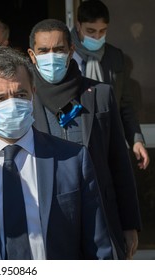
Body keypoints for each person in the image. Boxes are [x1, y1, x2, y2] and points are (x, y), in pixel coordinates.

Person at [0, 46, 113, 260]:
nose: (12, 105)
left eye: (20, 94)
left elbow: (98, 246)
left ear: (33, 93)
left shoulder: (72, 159)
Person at [27, 18, 141, 259]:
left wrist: (129, 223)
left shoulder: (99, 94)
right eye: (44, 50)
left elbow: (119, 162)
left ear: (71, 51)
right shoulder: (23, 102)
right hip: (46, 222)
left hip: (98, 217)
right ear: (32, 55)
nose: (52, 56)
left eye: (58, 49)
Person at [71, 0, 149, 170]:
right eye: (90, 31)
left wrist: (136, 140)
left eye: (102, 31)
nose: (97, 37)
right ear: (78, 26)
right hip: (74, 143)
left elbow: (124, 104)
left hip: (108, 144)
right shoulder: (64, 54)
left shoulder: (114, 57)